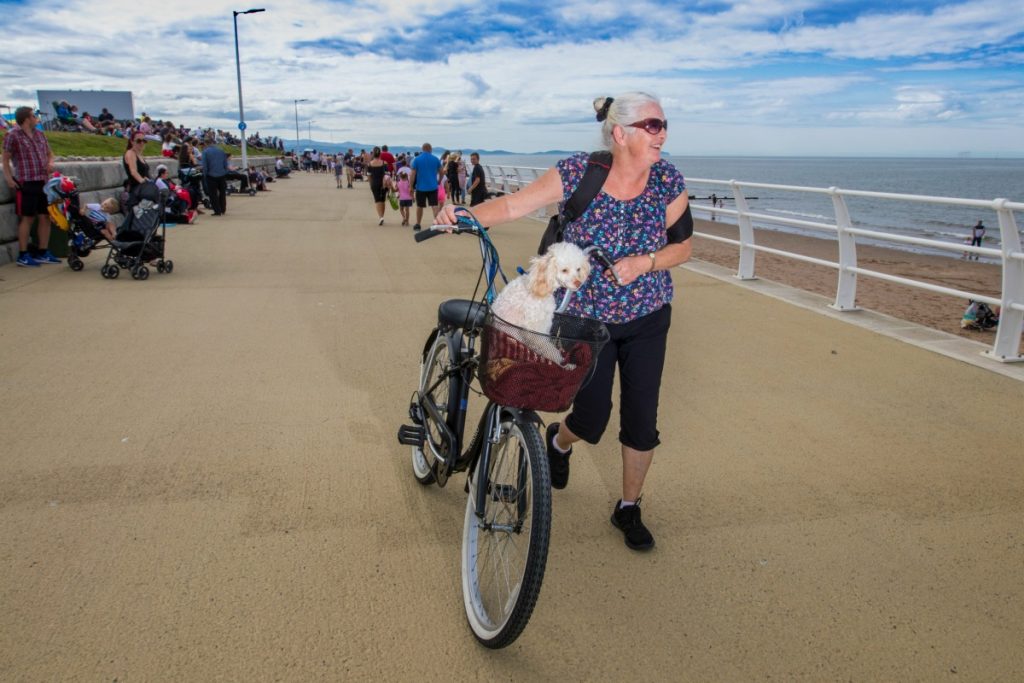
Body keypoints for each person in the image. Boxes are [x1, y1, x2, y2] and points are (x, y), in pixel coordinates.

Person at [436, 92, 690, 551]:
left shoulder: (668, 179)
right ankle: (560, 442)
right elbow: (514, 205)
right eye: (652, 125)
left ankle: (628, 507)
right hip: (583, 321)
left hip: (649, 316)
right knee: (591, 418)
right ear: (621, 133)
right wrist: (465, 215)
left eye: (664, 124)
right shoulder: (580, 173)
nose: (663, 133)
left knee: (641, 419)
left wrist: (646, 262)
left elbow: (683, 247)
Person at [2, 107, 61, 266]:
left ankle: (43, 251)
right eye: (34, 116)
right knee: (27, 218)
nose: (36, 119)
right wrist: (9, 179)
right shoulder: (12, 135)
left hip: (43, 181)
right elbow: (5, 158)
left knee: (45, 216)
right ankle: (23, 254)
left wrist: (50, 163)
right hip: (26, 181)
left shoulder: (40, 134)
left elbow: (50, 154)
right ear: (27, 119)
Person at [410, 142, 442, 230]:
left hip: (421, 187)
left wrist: (411, 186)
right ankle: (437, 223)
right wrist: (439, 181)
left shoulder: (417, 159)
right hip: (433, 186)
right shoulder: (436, 159)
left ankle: (418, 224)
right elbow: (441, 171)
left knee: (420, 206)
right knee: (434, 205)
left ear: (422, 149)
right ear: (430, 149)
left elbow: (412, 174)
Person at [201, 139, 229, 216]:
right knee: (222, 193)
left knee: (213, 194)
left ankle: (217, 211)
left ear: (206, 144)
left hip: (211, 175)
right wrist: (225, 172)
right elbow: (225, 163)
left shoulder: (205, 152)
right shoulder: (221, 151)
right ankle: (223, 209)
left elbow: (205, 165)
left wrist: (205, 174)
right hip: (222, 175)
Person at [366, 147, 390, 225]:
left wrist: (370, 184)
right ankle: (382, 216)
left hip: (374, 183)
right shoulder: (384, 163)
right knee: (383, 200)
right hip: (384, 183)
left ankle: (380, 217)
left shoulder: (370, 164)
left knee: (377, 200)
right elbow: (387, 174)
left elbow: (369, 176)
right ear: (380, 154)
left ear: (373, 153)